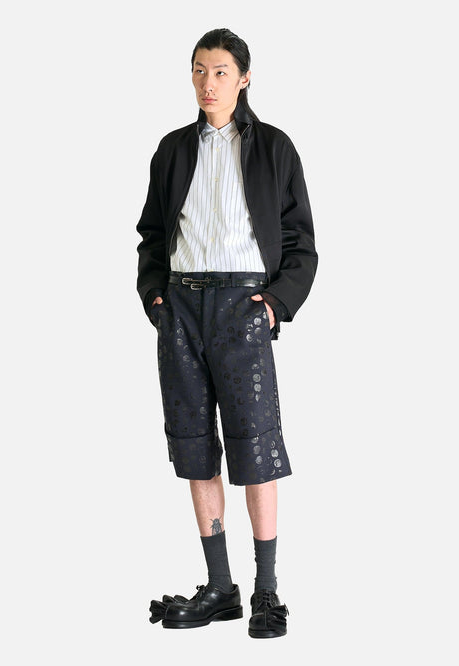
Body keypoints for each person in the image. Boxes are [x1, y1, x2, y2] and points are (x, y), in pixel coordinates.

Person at [137, 27, 318, 639]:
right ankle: (221, 588)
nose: (207, 83)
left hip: (245, 307)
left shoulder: (274, 148)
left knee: (255, 445)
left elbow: (300, 241)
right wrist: (156, 297)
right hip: (181, 308)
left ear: (244, 78)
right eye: (198, 70)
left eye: (219, 72)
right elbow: (152, 235)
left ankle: (266, 590)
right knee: (194, 445)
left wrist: (274, 306)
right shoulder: (171, 150)